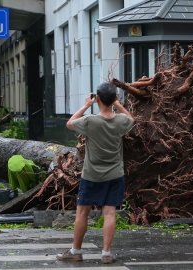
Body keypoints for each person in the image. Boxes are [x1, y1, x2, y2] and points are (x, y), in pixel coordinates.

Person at [56, 82, 134, 264]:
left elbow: (69, 124)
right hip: (115, 174)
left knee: (82, 212)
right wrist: (119, 105)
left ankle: (76, 251)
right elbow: (131, 119)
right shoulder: (121, 121)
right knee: (109, 213)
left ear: (97, 98)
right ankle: (106, 253)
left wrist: (85, 105)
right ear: (114, 99)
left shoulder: (89, 121)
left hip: (91, 175)